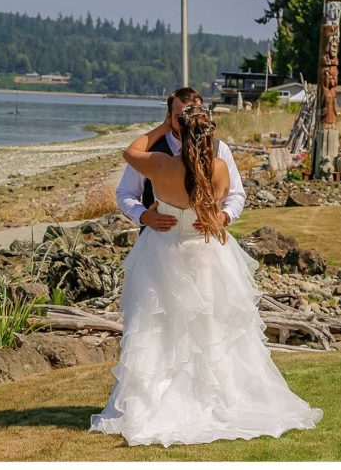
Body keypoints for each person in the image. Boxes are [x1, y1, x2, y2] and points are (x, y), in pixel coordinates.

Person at [90, 104, 322, 446]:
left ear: (178, 132)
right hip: (206, 253)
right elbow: (220, 203)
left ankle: (159, 402)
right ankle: (212, 398)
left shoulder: (158, 164)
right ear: (210, 134)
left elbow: (130, 152)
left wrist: (160, 129)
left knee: (161, 328)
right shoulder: (219, 169)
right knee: (211, 327)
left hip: (163, 253)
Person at [116, 87, 245, 234]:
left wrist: (224, 216)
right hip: (158, 240)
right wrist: (143, 215)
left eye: (192, 115)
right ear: (169, 116)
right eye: (181, 116)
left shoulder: (220, 149)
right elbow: (125, 192)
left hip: (204, 241)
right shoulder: (151, 150)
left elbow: (236, 194)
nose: (189, 122)